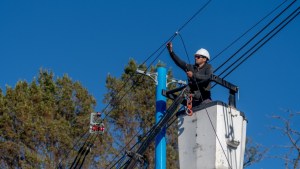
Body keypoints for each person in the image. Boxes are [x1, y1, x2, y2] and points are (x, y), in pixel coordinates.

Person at [167, 42, 213, 106]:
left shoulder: (208, 67)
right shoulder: (191, 68)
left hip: (204, 100)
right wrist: (171, 52)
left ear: (204, 59)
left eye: (198, 57)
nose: (195, 58)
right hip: (193, 101)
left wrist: (193, 75)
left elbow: (208, 77)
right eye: (195, 56)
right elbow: (180, 63)